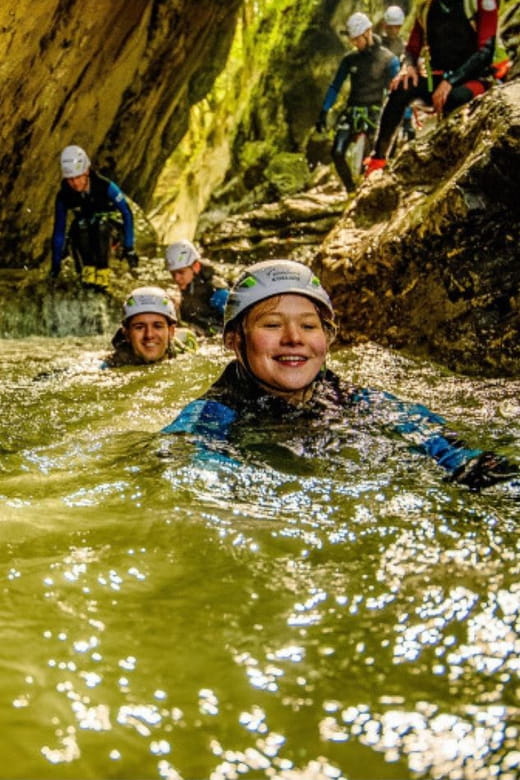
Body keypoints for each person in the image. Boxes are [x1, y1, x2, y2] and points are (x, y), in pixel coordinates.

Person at [162, 259, 518, 492]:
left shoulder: (351, 398)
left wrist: (474, 467)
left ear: (327, 338)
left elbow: (425, 432)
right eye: (272, 324)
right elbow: (186, 463)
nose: (294, 338)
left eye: (308, 325)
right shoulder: (213, 414)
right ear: (234, 340)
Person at [365, 0, 505, 176]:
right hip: (438, 80)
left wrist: (451, 81)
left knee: (454, 98)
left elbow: (486, 51)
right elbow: (412, 49)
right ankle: (378, 160)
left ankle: (451, 162)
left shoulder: (481, 3)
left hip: (474, 80)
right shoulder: (426, 7)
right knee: (401, 89)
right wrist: (407, 67)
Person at [315, 12, 399, 191]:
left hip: (375, 112)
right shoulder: (349, 60)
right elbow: (335, 86)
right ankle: (351, 190)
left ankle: (369, 189)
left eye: (357, 39)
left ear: (368, 32)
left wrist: (405, 119)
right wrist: (324, 111)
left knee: (371, 158)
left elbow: (399, 91)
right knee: (337, 153)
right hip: (352, 110)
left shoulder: (388, 60)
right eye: (351, 40)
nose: (354, 43)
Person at [51, 145, 138, 291]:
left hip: (108, 234)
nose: (75, 183)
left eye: (78, 177)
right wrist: (55, 266)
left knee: (101, 224)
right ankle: (88, 271)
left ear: (86, 171)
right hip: (84, 236)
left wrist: (129, 247)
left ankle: (103, 271)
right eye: (70, 179)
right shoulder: (64, 195)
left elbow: (127, 213)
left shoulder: (105, 186)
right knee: (81, 224)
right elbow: (59, 231)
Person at [102, 286, 197, 368]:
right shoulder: (108, 367)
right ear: (127, 334)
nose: (149, 335)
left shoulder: (187, 351)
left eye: (158, 326)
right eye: (139, 327)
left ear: (171, 331)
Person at [165, 239, 229, 335]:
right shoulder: (188, 284)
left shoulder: (217, 293)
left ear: (196, 267)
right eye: (173, 274)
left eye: (181, 272)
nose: (177, 278)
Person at [380, 5, 417, 142]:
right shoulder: (378, 45)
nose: (393, 30)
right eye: (390, 27)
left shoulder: (404, 48)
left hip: (395, 90)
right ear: (385, 25)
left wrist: (407, 118)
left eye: (396, 27)